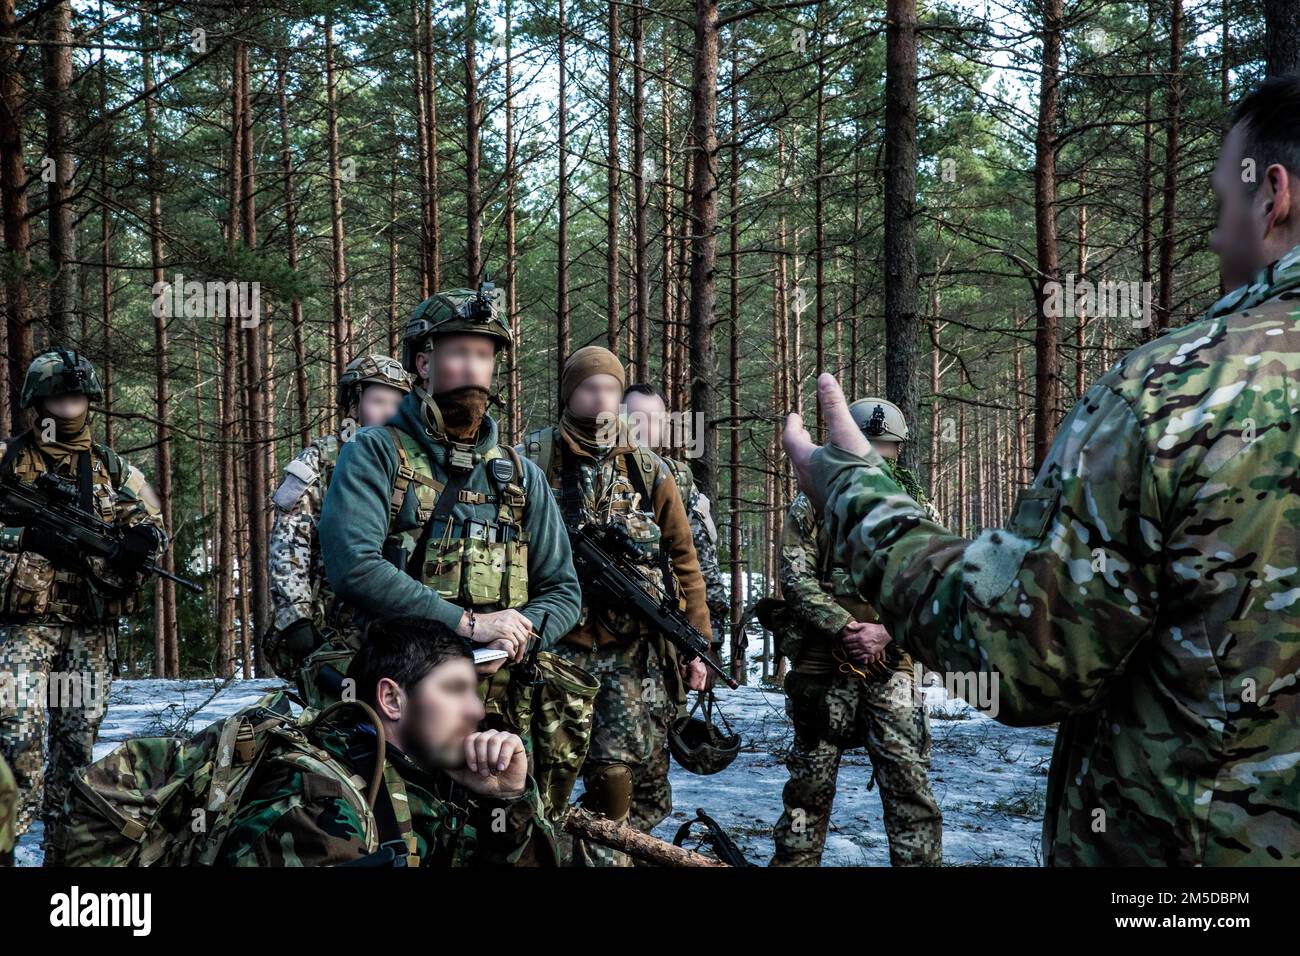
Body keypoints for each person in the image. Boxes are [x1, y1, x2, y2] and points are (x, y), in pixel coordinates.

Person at [782, 74, 1300, 866]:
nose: (1212, 234)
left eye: (1220, 203)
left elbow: (1028, 652)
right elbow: (792, 574)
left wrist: (851, 490)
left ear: (1273, 195)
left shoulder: (1174, 398)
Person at [315, 286, 583, 812]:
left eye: (483, 356)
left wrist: (514, 638)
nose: (471, 368)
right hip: (395, 703)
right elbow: (355, 567)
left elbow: (562, 590)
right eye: (458, 353)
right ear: (423, 362)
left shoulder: (520, 475)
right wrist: (469, 627)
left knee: (507, 832)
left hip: (501, 699)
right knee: (393, 830)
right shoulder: (375, 452)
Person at [521, 347, 709, 866]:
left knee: (615, 775)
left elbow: (684, 559)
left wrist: (697, 646)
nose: (599, 397)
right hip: (551, 647)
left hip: (628, 655)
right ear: (569, 394)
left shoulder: (649, 470)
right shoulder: (531, 458)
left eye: (609, 388)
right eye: (588, 387)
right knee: (544, 773)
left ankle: (610, 857)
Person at [0, 349, 168, 865]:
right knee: (15, 742)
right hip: (26, 628)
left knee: (75, 751)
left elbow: (154, 525)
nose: (69, 406)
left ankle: (62, 857)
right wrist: (24, 534)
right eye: (58, 397)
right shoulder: (9, 460)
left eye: (77, 397)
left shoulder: (112, 467)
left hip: (89, 628)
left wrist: (140, 539)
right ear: (37, 401)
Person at [219, 616, 556, 866]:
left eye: (474, 691)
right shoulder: (317, 801)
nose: (476, 710)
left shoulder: (442, 781)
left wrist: (507, 800)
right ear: (392, 700)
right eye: (454, 690)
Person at [771, 397, 941, 866]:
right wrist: (844, 627)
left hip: (892, 667)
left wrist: (884, 633)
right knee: (808, 787)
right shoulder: (812, 503)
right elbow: (795, 578)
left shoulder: (914, 505)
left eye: (887, 448)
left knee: (910, 787)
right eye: (871, 446)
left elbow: (930, 581)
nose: (879, 457)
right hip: (823, 666)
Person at [265, 353, 409, 706]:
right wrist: (296, 620)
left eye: (397, 403)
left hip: (398, 617)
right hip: (333, 624)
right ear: (354, 405)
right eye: (379, 401)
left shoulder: (410, 463)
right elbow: (290, 543)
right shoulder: (324, 459)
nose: (389, 412)